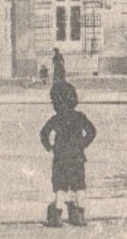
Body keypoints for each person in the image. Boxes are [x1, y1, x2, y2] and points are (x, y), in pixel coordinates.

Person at [40, 81, 96, 228]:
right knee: (79, 187)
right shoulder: (79, 116)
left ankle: (57, 217)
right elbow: (92, 131)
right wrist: (82, 145)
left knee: (60, 188)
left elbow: (43, 133)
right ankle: (82, 216)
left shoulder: (56, 118)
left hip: (60, 157)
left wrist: (49, 147)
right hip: (77, 156)